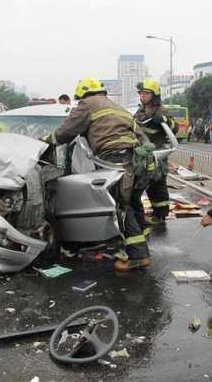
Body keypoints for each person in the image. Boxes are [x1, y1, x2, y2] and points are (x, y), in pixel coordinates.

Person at [42, 78, 152, 271]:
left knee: (120, 206)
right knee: (133, 202)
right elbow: (143, 138)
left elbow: (65, 132)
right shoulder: (118, 107)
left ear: (84, 94)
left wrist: (44, 142)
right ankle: (138, 240)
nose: (79, 101)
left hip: (115, 159)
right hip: (137, 161)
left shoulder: (87, 105)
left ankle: (138, 255)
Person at [134, 78, 178, 227]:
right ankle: (137, 214)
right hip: (141, 155)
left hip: (157, 154)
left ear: (154, 94)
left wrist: (164, 119)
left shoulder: (161, 110)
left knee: (157, 186)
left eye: (146, 93)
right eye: (141, 93)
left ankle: (160, 215)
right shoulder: (139, 111)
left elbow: (175, 127)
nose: (142, 96)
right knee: (138, 184)